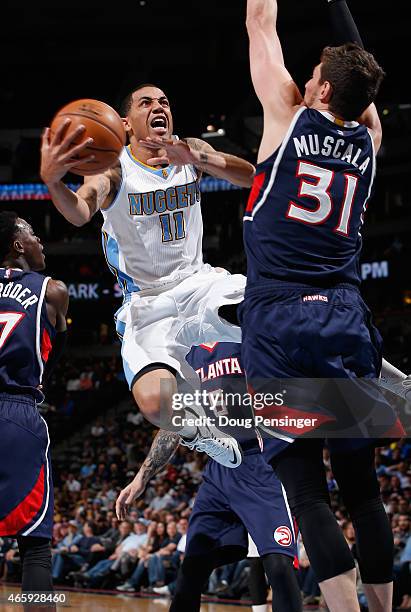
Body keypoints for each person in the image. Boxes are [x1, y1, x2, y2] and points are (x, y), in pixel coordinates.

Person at [242, 0, 408, 611]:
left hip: (280, 320)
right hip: (342, 315)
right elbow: (361, 82)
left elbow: (261, 19)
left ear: (318, 90)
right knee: (362, 489)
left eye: (312, 73)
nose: (302, 78)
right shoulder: (370, 138)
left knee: (306, 490)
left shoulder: (288, 119)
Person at [39, 83, 255, 468]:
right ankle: (200, 431)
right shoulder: (114, 170)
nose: (159, 107)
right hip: (147, 304)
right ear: (125, 123)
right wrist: (54, 181)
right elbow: (79, 210)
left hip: (199, 283)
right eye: (146, 103)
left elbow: (252, 176)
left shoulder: (189, 150)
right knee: (155, 404)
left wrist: (204, 160)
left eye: (164, 102)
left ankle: (368, 367)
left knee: (269, 306)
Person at [116, 341, 302, 612]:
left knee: (278, 564)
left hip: (261, 461)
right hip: (218, 469)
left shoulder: (245, 331)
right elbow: (175, 422)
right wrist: (142, 477)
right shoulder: (189, 355)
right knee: (192, 565)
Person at [0, 211, 68, 596]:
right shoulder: (52, 290)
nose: (39, 239)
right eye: (31, 232)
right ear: (16, 245)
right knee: (35, 547)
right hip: (16, 411)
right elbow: (54, 357)